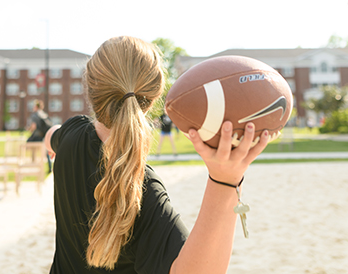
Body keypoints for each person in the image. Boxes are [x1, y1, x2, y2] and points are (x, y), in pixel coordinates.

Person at [44, 36, 272, 273]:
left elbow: (52, 134)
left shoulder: (71, 135)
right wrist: (225, 180)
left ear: (90, 88)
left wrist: (51, 146)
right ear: (153, 98)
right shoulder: (141, 191)